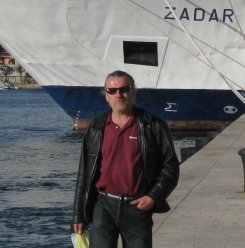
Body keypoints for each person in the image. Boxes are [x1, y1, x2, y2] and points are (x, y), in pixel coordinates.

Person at [72, 71, 180, 248]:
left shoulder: (152, 126)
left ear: (133, 92)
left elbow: (171, 168)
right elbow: (84, 173)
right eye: (112, 90)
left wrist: (153, 197)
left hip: (137, 207)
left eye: (124, 89)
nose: (118, 95)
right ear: (106, 95)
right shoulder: (96, 128)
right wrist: (78, 215)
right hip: (102, 206)